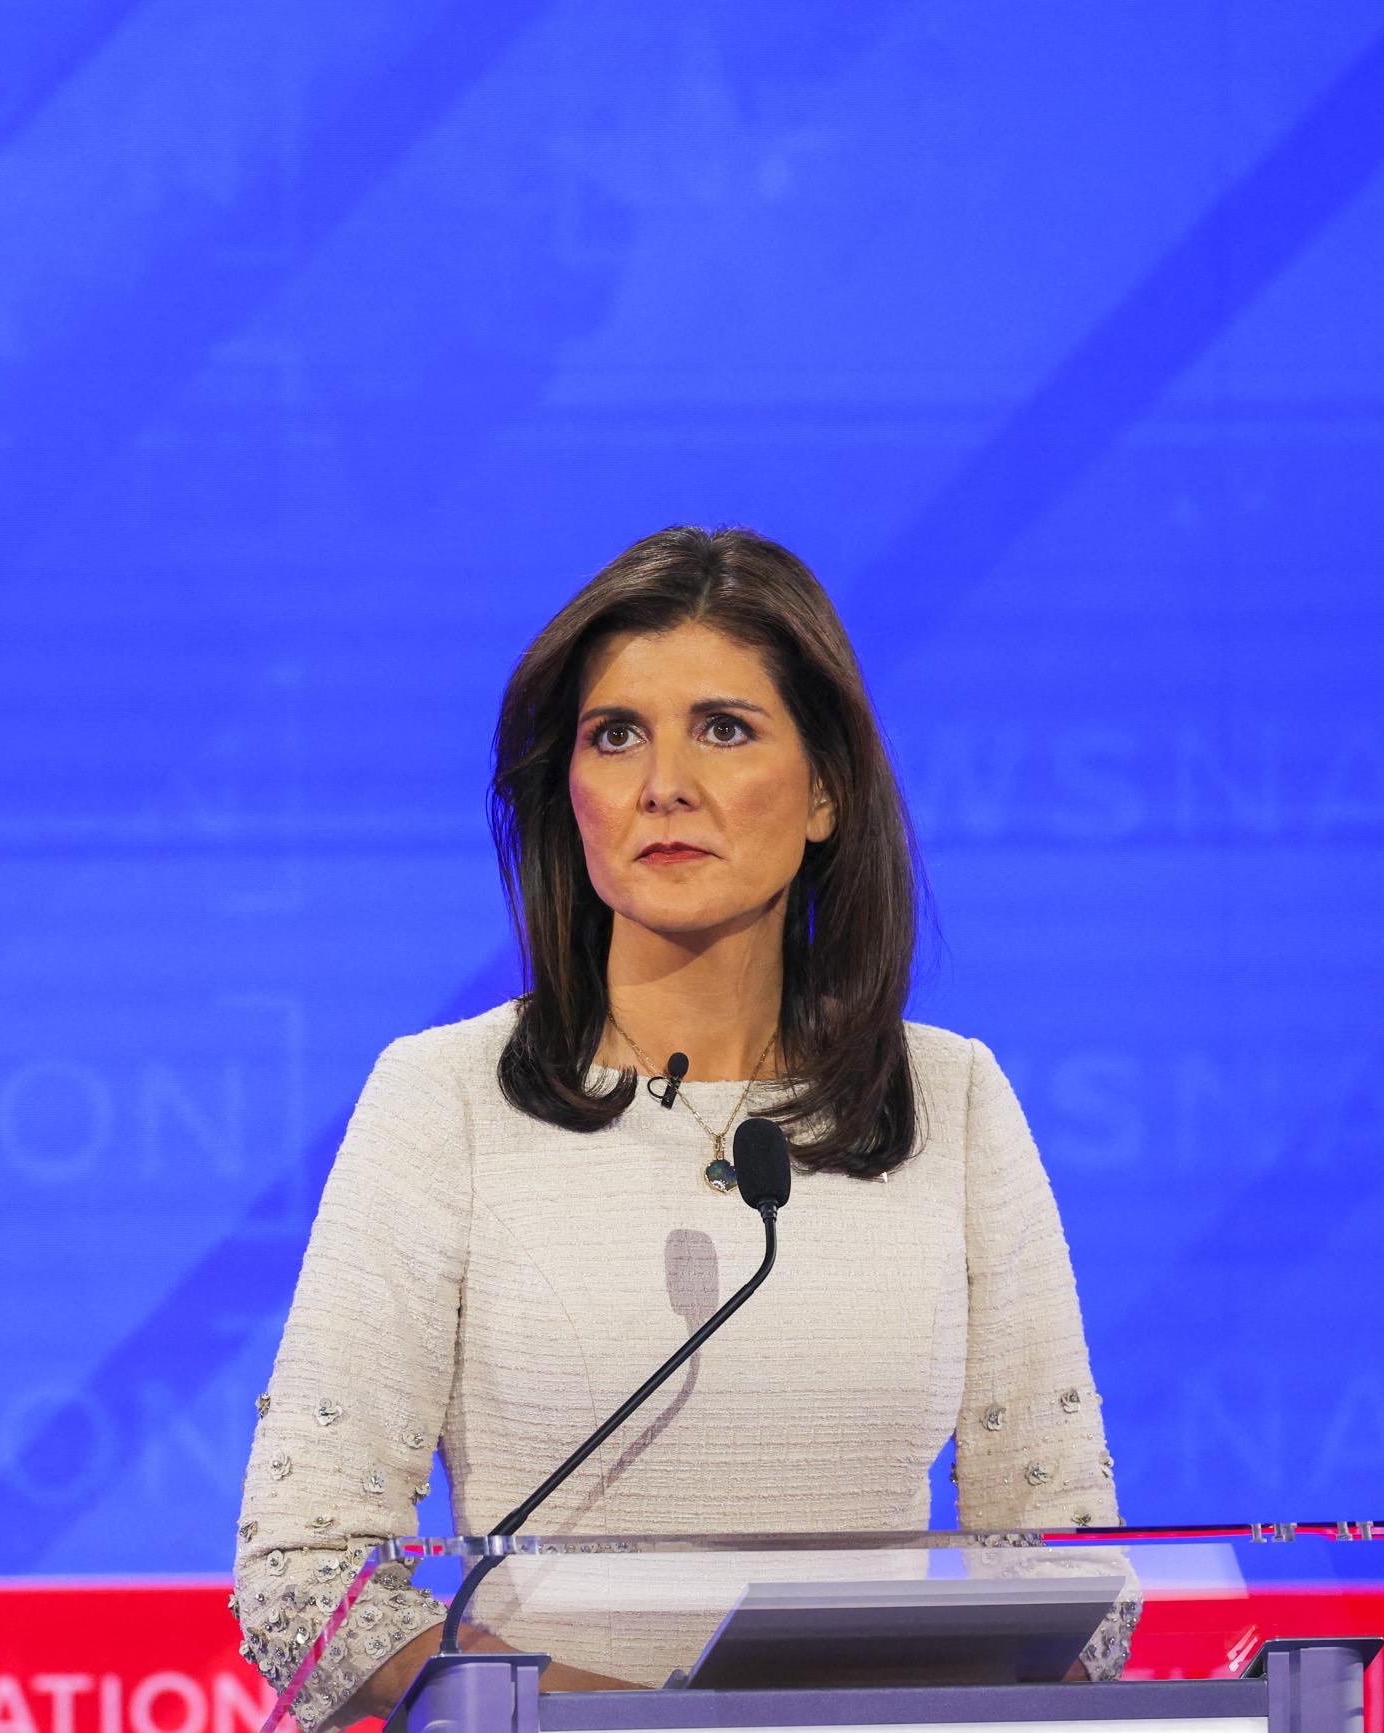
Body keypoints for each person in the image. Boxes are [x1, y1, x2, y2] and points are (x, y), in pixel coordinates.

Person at [231, 527, 1124, 1727]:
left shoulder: (949, 1099)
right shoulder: (443, 1097)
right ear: (569, 796)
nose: (663, 783)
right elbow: (307, 1580)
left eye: (723, 727)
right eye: (614, 735)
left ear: (824, 791)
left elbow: (1064, 1570)